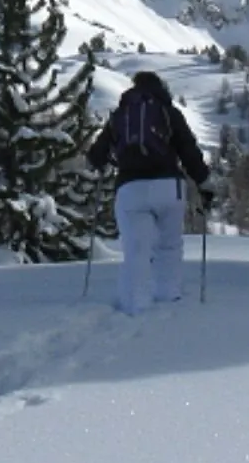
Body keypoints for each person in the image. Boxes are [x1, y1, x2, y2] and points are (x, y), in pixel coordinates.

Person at [86, 70, 214, 315]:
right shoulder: (169, 113)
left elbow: (95, 157)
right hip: (169, 187)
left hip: (130, 188)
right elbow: (189, 151)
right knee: (169, 246)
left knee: (136, 251)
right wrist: (204, 183)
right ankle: (168, 300)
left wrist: (103, 161)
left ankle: (135, 306)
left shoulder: (120, 116)